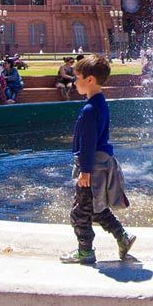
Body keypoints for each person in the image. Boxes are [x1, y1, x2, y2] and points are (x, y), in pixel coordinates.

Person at [60, 55, 135, 265]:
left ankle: (85, 252)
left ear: (90, 79)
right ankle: (123, 237)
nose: (74, 83)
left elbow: (88, 144)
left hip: (91, 168)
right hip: (99, 165)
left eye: (77, 78)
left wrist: (84, 172)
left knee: (79, 214)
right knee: (96, 209)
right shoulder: (99, 103)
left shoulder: (90, 109)